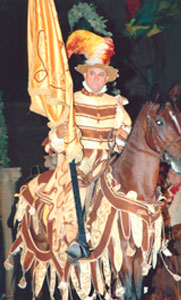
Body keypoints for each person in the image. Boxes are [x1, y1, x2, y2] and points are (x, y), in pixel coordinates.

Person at [37, 30, 132, 261]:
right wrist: (61, 137)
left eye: (101, 75)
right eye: (93, 74)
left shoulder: (116, 104)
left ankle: (129, 240)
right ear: (85, 75)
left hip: (106, 165)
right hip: (78, 164)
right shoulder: (72, 101)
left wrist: (120, 137)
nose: (96, 78)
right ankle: (74, 240)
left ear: (107, 78)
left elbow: (125, 131)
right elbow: (56, 134)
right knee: (77, 191)